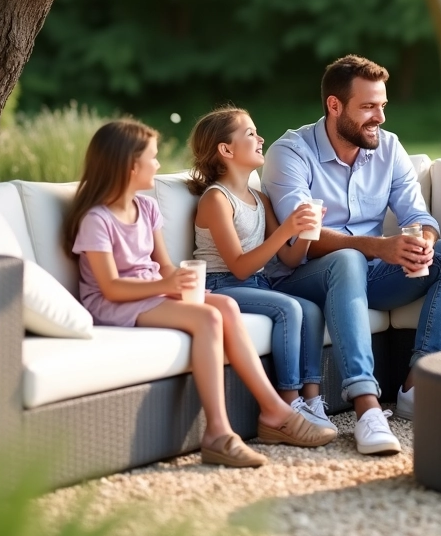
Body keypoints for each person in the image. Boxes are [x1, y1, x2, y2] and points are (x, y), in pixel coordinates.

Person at [63, 119, 336, 469]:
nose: (159, 165)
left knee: (223, 306)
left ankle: (272, 413)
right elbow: (111, 287)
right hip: (114, 303)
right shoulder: (97, 220)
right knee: (210, 314)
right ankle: (224, 431)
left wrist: (181, 280)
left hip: (153, 293)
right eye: (153, 157)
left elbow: (162, 266)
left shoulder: (146, 209)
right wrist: (168, 286)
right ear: (130, 166)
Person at [262, 55, 441, 456]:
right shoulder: (290, 153)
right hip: (306, 277)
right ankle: (366, 408)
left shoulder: (389, 147)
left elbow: (417, 214)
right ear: (334, 106)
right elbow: (301, 237)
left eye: (382, 106)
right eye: (368, 107)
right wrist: (376, 246)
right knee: (348, 259)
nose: (379, 116)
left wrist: (422, 241)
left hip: (368, 276)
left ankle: (416, 384)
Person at [187, 107, 335, 432]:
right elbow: (239, 267)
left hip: (257, 283)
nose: (260, 138)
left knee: (310, 309)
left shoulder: (259, 198)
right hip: (221, 284)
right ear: (225, 150)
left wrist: (308, 231)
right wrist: (286, 229)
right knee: (288, 308)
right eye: (250, 133)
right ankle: (287, 403)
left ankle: (312, 401)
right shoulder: (216, 200)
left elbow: (290, 259)